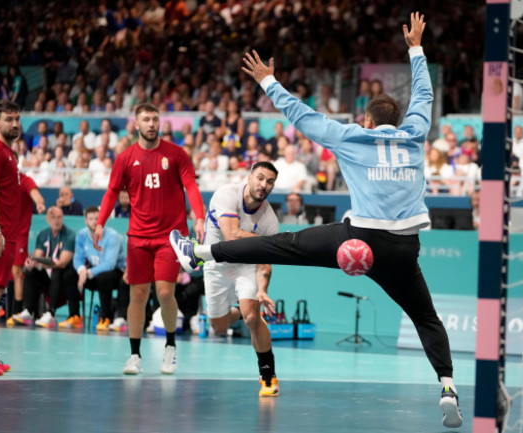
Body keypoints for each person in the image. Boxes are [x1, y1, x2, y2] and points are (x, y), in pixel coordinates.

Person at [170, 13, 462, 428]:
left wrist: (269, 81)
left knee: (280, 245)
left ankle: (200, 252)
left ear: (366, 119)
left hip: (356, 237)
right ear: (396, 121)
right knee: (426, 318)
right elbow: (425, 96)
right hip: (403, 248)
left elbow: (302, 117)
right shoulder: (415, 133)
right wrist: (416, 48)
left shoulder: (351, 136)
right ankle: (448, 386)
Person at [94, 103, 205, 375]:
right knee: (138, 294)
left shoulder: (177, 154)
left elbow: (191, 185)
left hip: (171, 236)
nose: (152, 124)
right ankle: (134, 355)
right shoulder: (125, 159)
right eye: (146, 119)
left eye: (155, 119)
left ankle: (170, 346)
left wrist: (199, 217)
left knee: (165, 292)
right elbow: (110, 193)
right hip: (138, 237)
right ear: (136, 124)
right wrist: (100, 223)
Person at [202, 161, 281, 396]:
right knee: (218, 327)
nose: (263, 185)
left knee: (252, 318)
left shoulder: (269, 220)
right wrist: (267, 244)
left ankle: (268, 377)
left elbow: (265, 262)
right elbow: (231, 236)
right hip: (216, 264)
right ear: (249, 177)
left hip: (246, 265)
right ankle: (237, 310)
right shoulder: (226, 194)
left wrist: (263, 290)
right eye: (260, 178)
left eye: (270, 182)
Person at [11, 206, 79, 328]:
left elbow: (62, 262)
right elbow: (37, 257)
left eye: (59, 217)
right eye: (53, 217)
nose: (56, 221)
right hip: (47, 273)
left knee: (57, 270)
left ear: (63, 218)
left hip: (64, 276)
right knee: (30, 271)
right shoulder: (43, 234)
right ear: (47, 219)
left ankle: (50, 313)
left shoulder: (69, 235)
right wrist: (32, 263)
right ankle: (27, 311)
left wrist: (40, 263)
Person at [0, 101, 22, 376]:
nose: (14, 124)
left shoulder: (9, 152)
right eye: (8, 119)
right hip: (0, 234)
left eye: (17, 118)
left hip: (9, 234)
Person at [74, 206, 126, 331]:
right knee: (70, 274)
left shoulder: (112, 236)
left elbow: (110, 264)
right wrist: (81, 271)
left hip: (116, 272)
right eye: (91, 219)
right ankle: (74, 315)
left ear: (103, 220)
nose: (94, 222)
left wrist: (88, 272)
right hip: (93, 271)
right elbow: (78, 258)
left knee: (104, 277)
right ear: (86, 221)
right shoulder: (81, 235)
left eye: (97, 218)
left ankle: (105, 317)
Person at [6, 171, 46, 325]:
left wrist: (40, 202)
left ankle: (16, 312)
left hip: (19, 234)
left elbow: (35, 193)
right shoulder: (0, 180)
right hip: (1, 231)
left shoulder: (24, 180)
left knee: (16, 271)